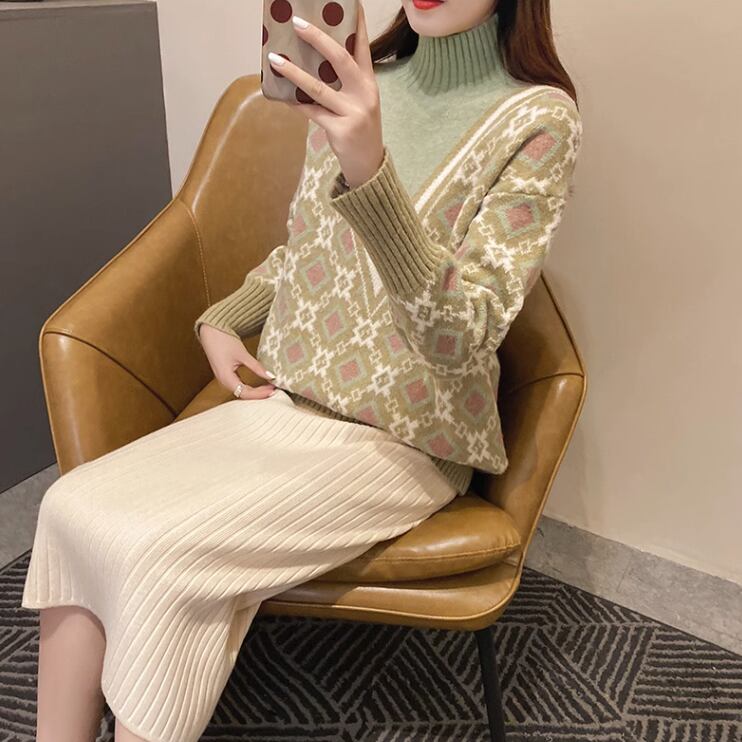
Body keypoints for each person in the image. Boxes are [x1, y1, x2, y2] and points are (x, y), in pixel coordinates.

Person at [20, 1, 582, 740]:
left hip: (408, 437)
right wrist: (227, 316)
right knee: (70, 509)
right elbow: (308, 243)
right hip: (290, 398)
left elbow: (464, 336)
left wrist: (370, 168)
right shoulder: (360, 82)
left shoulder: (538, 121)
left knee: (158, 564)